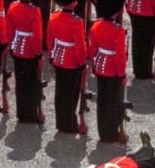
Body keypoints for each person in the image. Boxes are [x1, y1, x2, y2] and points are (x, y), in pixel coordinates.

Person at [89, 0, 127, 143]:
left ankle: (103, 132)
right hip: (113, 71)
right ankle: (110, 134)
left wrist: (94, 65)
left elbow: (93, 49)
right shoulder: (118, 31)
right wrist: (122, 74)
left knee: (102, 100)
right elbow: (120, 57)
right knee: (112, 102)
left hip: (100, 67)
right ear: (116, 12)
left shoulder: (96, 25)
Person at [47, 0, 87, 134]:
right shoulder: (77, 22)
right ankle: (70, 124)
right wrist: (82, 63)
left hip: (59, 58)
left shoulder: (54, 16)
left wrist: (52, 55)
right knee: (71, 95)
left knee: (60, 93)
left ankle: (61, 122)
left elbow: (50, 39)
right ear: (74, 3)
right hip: (72, 61)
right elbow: (80, 46)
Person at [7, 0, 43, 122]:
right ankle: (30, 113)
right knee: (30, 84)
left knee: (20, 82)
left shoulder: (13, 6)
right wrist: (38, 54)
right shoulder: (35, 11)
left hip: (17, 48)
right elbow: (37, 36)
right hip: (30, 51)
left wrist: (11, 46)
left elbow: (10, 29)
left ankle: (21, 112)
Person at [125, 0, 155, 80]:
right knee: (147, 43)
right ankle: (144, 71)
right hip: (147, 10)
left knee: (137, 39)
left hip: (134, 8)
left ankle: (138, 69)